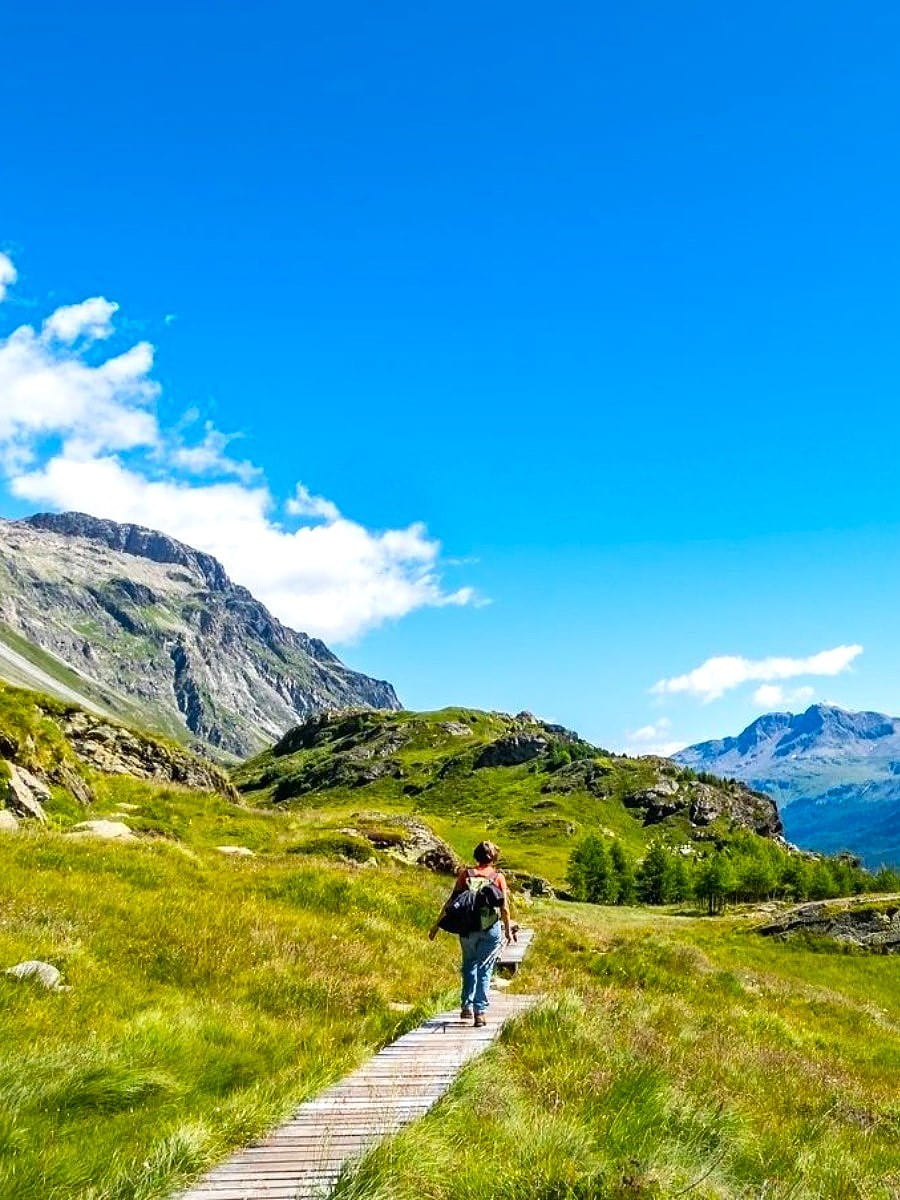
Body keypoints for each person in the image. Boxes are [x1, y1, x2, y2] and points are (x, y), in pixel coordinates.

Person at [429, 840, 513, 1027]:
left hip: (467, 929)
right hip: (490, 929)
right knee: (485, 969)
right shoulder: (498, 877)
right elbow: (504, 908)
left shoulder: (465, 875)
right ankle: (480, 1012)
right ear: (493, 858)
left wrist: (436, 925)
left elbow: (451, 902)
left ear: (476, 856)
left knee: (469, 965)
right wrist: (507, 930)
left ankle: (466, 1006)